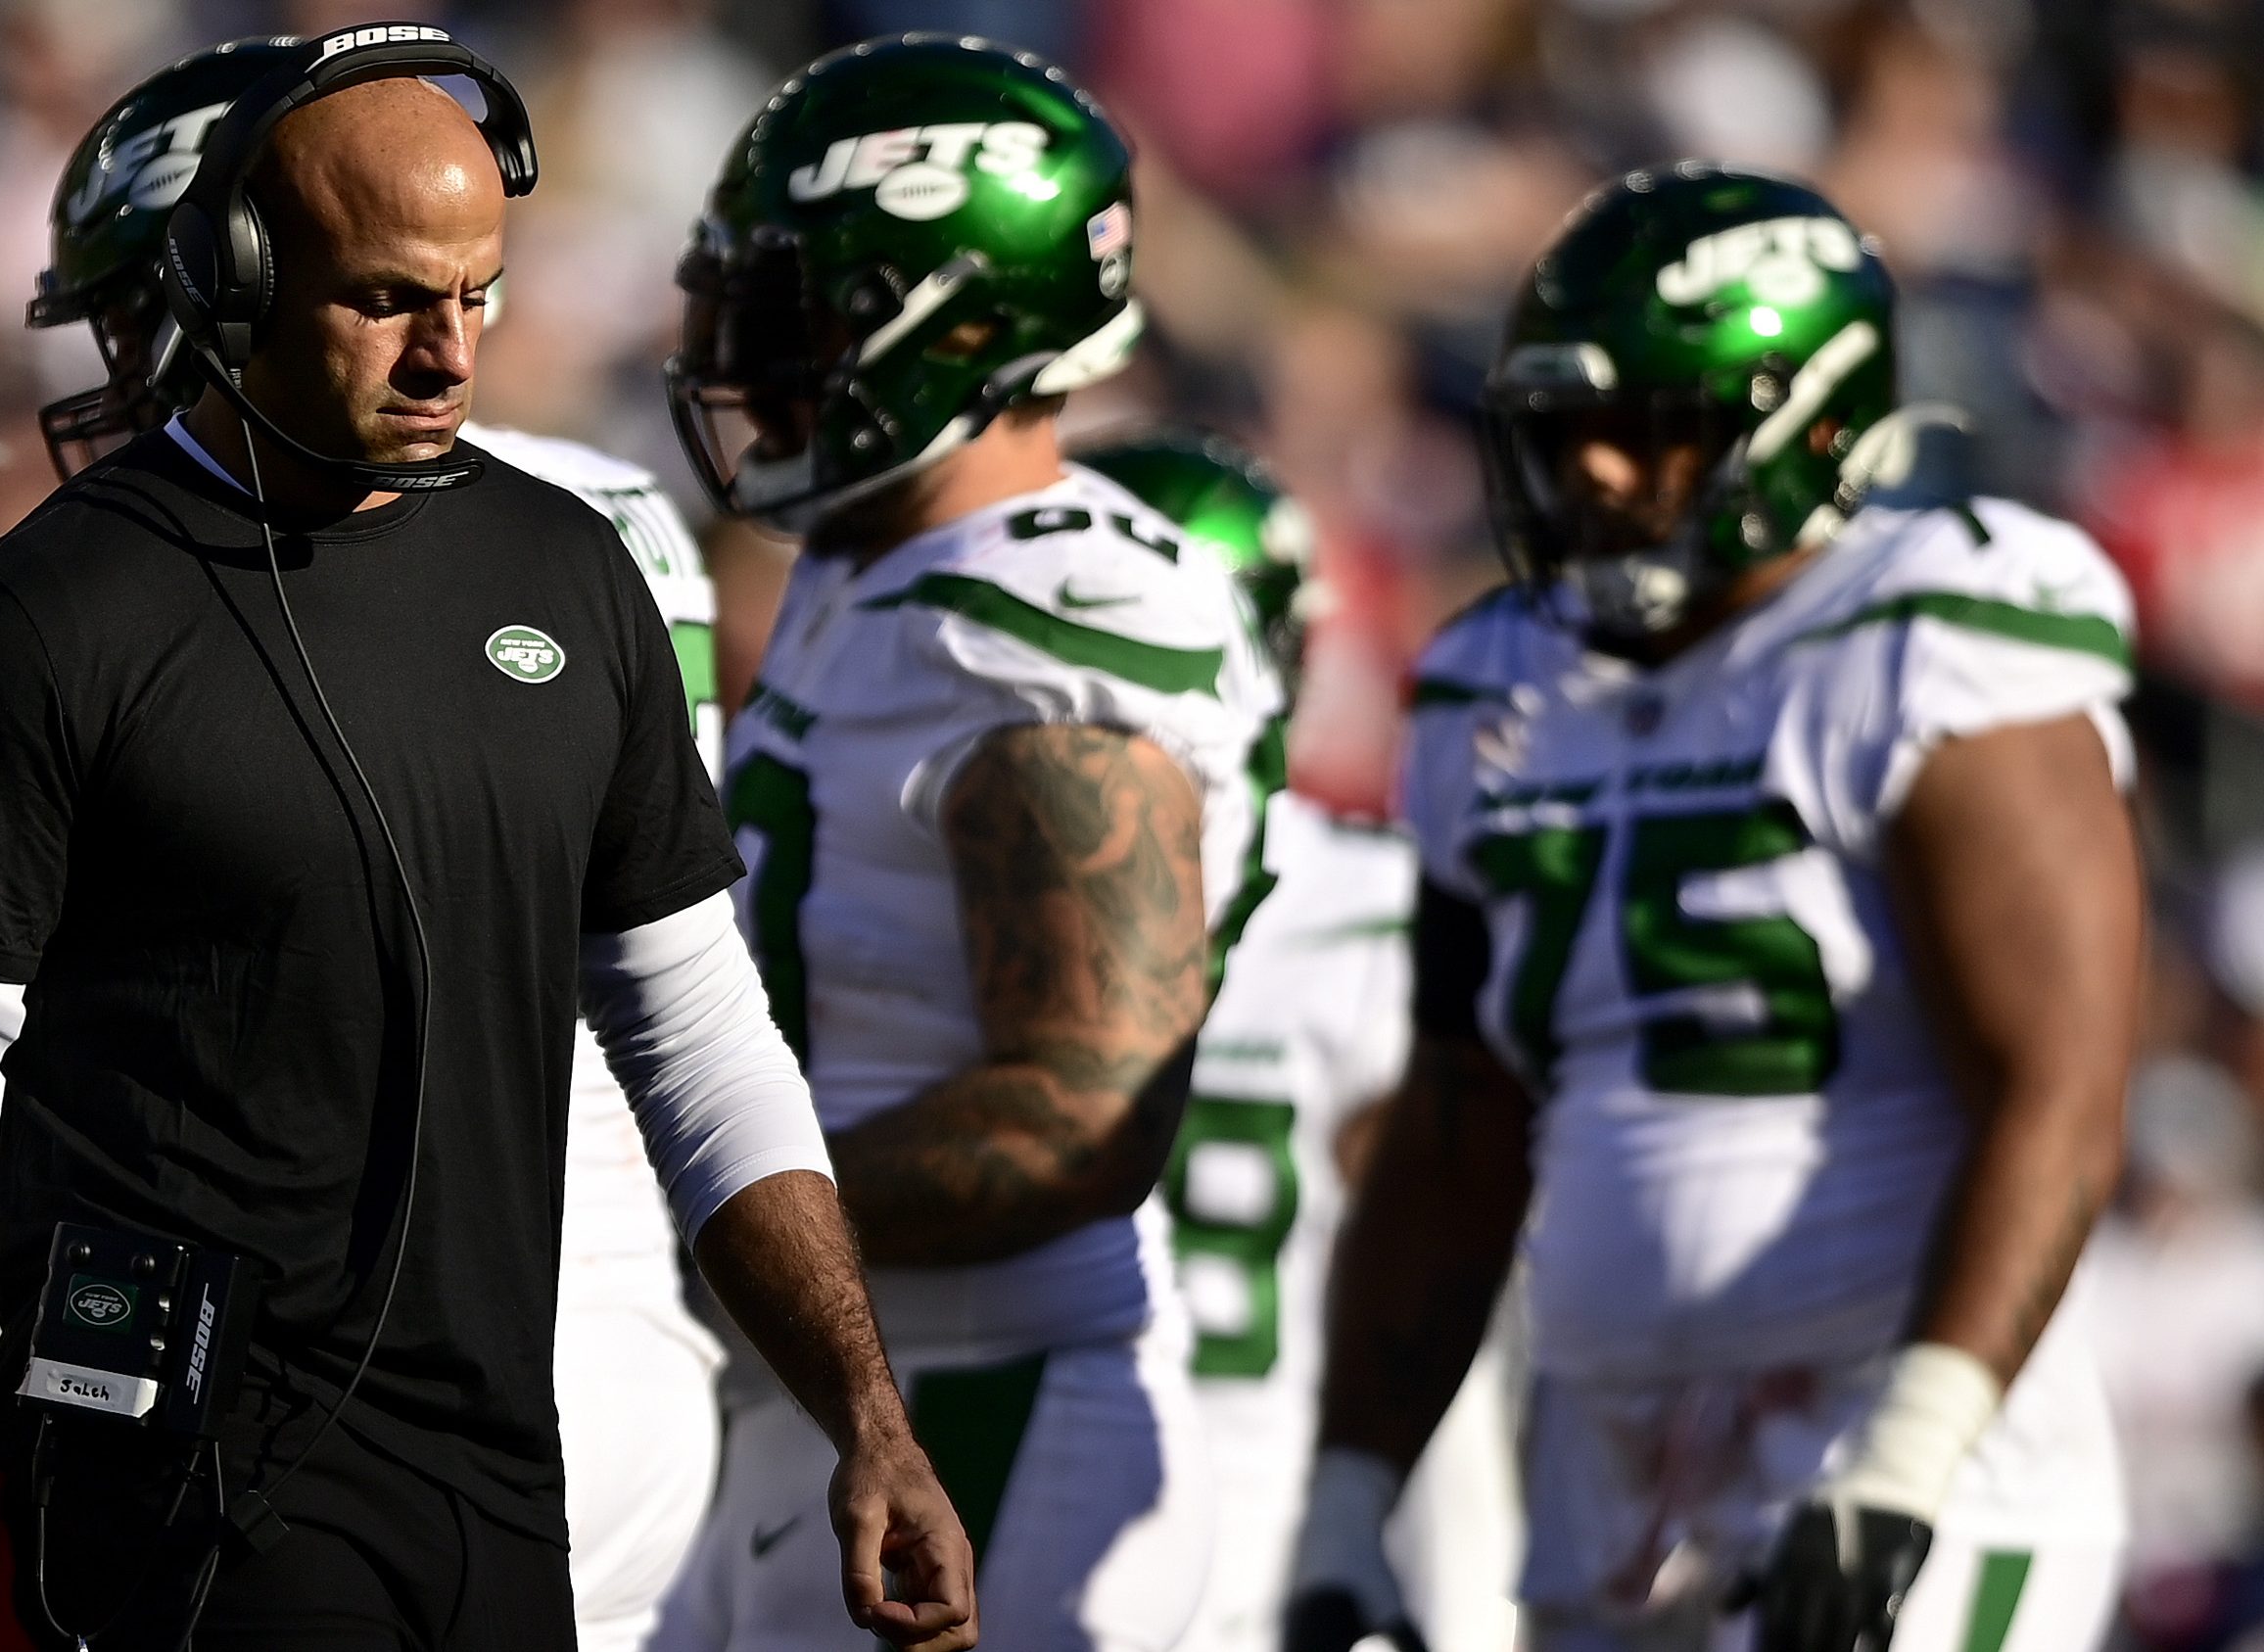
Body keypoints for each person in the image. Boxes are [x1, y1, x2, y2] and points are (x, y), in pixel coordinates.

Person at [0, 31, 975, 1652]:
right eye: (383, 299)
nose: (448, 353)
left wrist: (869, 1413)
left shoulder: (569, 572)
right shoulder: (40, 616)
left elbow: (700, 1037)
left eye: (477, 294)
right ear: (235, 280)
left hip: (499, 1480)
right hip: (177, 1490)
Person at [1286, 164, 2135, 1652]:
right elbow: (1456, 1124)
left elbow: (2057, 1083)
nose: (1598, 473)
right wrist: (1351, 1487)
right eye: (1571, 429)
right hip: (1609, 1465)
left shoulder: (1931, 628)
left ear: (1807, 414)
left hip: (1892, 1439)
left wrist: (1911, 1446)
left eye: (1652, 429)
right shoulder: (1501, 680)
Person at [22, 40, 728, 1650]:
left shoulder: (229, 567)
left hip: (371, 1352)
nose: (127, 358)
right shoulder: (601, 520)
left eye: (144, 305)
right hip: (621, 1326)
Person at [652, 36, 1280, 1651]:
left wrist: (705, 1211)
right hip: (845, 1394)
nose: (742, 360)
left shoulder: (1057, 611)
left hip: (986, 1402)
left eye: (792, 318)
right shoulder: (879, 561)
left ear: (969, 323)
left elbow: (1080, 1107)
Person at [1071, 434, 1524, 1652]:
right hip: (1232, 1554)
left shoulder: (1369, 915)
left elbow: (1436, 1289)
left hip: (1228, 1558)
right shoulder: (1362, 898)